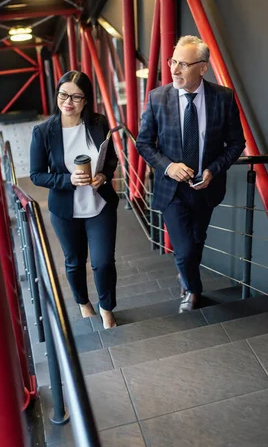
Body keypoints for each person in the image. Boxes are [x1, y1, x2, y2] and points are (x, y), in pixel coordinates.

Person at [136, 35, 245, 313]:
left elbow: (236, 143)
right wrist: (169, 167)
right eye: (173, 62)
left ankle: (185, 276)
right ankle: (193, 291)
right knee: (184, 250)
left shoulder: (223, 97)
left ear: (203, 68)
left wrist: (212, 170)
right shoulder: (158, 97)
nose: (174, 70)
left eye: (183, 64)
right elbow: (144, 144)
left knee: (197, 241)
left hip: (206, 187)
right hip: (172, 190)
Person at [30, 71, 119, 329]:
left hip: (99, 204)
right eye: (63, 94)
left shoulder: (98, 123)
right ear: (57, 94)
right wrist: (67, 180)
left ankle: (106, 309)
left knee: (103, 262)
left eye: (76, 96)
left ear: (86, 100)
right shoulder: (44, 132)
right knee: (74, 261)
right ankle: (83, 303)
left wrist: (103, 174)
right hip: (65, 210)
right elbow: (36, 175)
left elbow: (110, 158)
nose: (68, 101)